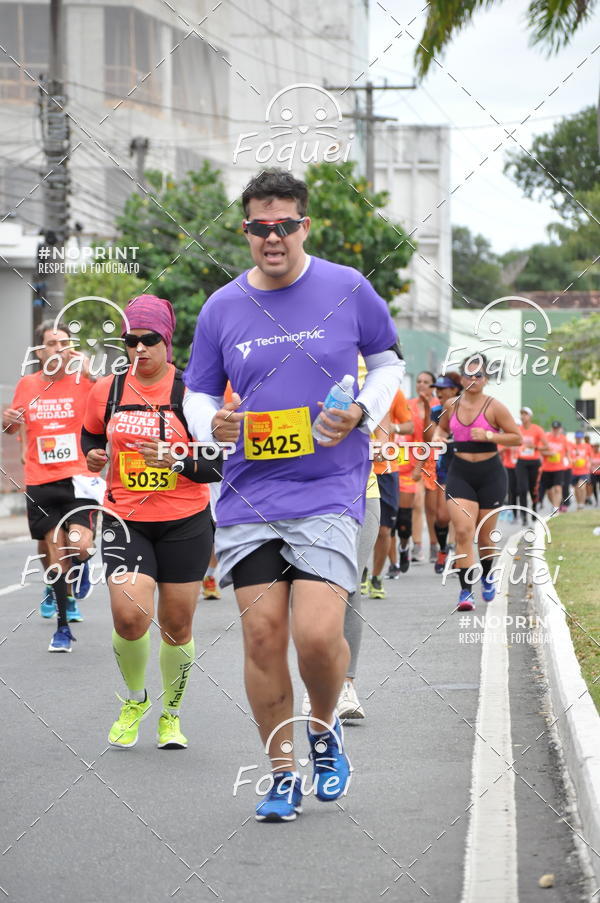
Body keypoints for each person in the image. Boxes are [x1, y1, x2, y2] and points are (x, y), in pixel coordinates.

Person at [182, 169, 403, 821]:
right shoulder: (222, 307)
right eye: (258, 227)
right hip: (250, 497)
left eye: (284, 225)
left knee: (315, 634)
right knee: (262, 638)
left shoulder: (347, 288)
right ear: (245, 229)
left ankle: (325, 727)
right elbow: (197, 391)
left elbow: (388, 362)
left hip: (330, 488)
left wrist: (362, 409)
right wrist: (209, 425)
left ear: (304, 225)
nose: (271, 238)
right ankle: (282, 773)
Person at [82, 295, 220, 750]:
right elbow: (89, 434)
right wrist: (94, 454)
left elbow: (219, 464)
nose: (139, 349)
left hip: (186, 520)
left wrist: (177, 460)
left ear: (167, 340)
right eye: (130, 341)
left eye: (148, 340)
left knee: (176, 626)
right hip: (126, 517)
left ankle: (171, 714)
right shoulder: (108, 390)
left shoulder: (192, 392)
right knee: (128, 617)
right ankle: (135, 699)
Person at [3, 320, 100, 651]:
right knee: (54, 552)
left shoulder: (84, 382)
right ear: (39, 351)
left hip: (79, 479)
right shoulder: (27, 385)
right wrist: (7, 422)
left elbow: (111, 403)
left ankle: (81, 565)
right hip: (41, 481)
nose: (59, 349)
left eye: (64, 343)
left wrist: (91, 372)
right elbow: (11, 428)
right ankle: (62, 627)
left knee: (81, 547)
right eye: (51, 344)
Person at [433, 353, 521, 611]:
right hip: (460, 472)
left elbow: (516, 438)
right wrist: (439, 436)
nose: (473, 379)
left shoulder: (495, 407)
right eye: (468, 375)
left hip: (490, 474)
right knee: (462, 531)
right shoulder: (451, 404)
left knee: (485, 538)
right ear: (461, 378)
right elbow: (442, 428)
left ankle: (487, 575)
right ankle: (465, 591)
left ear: (486, 379)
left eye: (478, 375)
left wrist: (490, 435)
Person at [369, 389, 412, 596]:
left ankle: (376, 577)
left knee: (384, 530)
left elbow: (409, 425)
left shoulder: (392, 391)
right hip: (356, 468)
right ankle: (360, 572)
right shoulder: (350, 384)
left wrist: (393, 427)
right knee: (358, 528)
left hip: (386, 468)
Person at [429, 373, 461, 574]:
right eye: (437, 389)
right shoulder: (435, 411)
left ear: (455, 390)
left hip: (465, 466)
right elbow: (431, 437)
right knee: (442, 516)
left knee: (460, 515)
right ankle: (443, 549)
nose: (438, 392)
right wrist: (438, 438)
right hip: (444, 467)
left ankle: (459, 554)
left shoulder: (468, 410)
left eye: (443, 388)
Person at [407, 371, 438, 563]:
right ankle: (417, 545)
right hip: (414, 458)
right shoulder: (408, 405)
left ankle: (435, 545)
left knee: (433, 508)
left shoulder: (439, 406)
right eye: (419, 381)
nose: (421, 385)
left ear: (433, 386)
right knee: (416, 502)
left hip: (435, 458)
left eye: (426, 382)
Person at [515, 406, 548, 523]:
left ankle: (534, 509)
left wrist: (535, 447)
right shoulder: (518, 429)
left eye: (525, 414)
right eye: (522, 414)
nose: (523, 416)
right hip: (521, 461)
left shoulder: (537, 429)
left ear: (530, 416)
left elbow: (546, 446)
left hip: (534, 462)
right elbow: (513, 441)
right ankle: (523, 515)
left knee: (533, 488)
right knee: (522, 489)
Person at [540, 420, 569, 514]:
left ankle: (556, 509)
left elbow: (567, 451)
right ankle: (554, 505)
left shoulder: (563, 439)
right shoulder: (546, 438)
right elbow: (540, 451)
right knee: (549, 491)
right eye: (554, 428)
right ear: (551, 429)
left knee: (558, 488)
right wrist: (550, 453)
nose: (555, 430)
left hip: (559, 468)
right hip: (547, 468)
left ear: (560, 429)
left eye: (557, 429)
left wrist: (568, 460)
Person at [570, 430, 593, 510]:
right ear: (575, 438)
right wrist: (572, 461)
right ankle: (579, 504)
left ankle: (582, 504)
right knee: (576, 488)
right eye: (577, 438)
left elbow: (591, 457)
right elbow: (568, 457)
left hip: (584, 471)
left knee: (582, 486)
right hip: (574, 471)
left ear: (582, 438)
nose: (578, 439)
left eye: (580, 438)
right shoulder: (571, 446)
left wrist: (589, 463)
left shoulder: (587, 446)